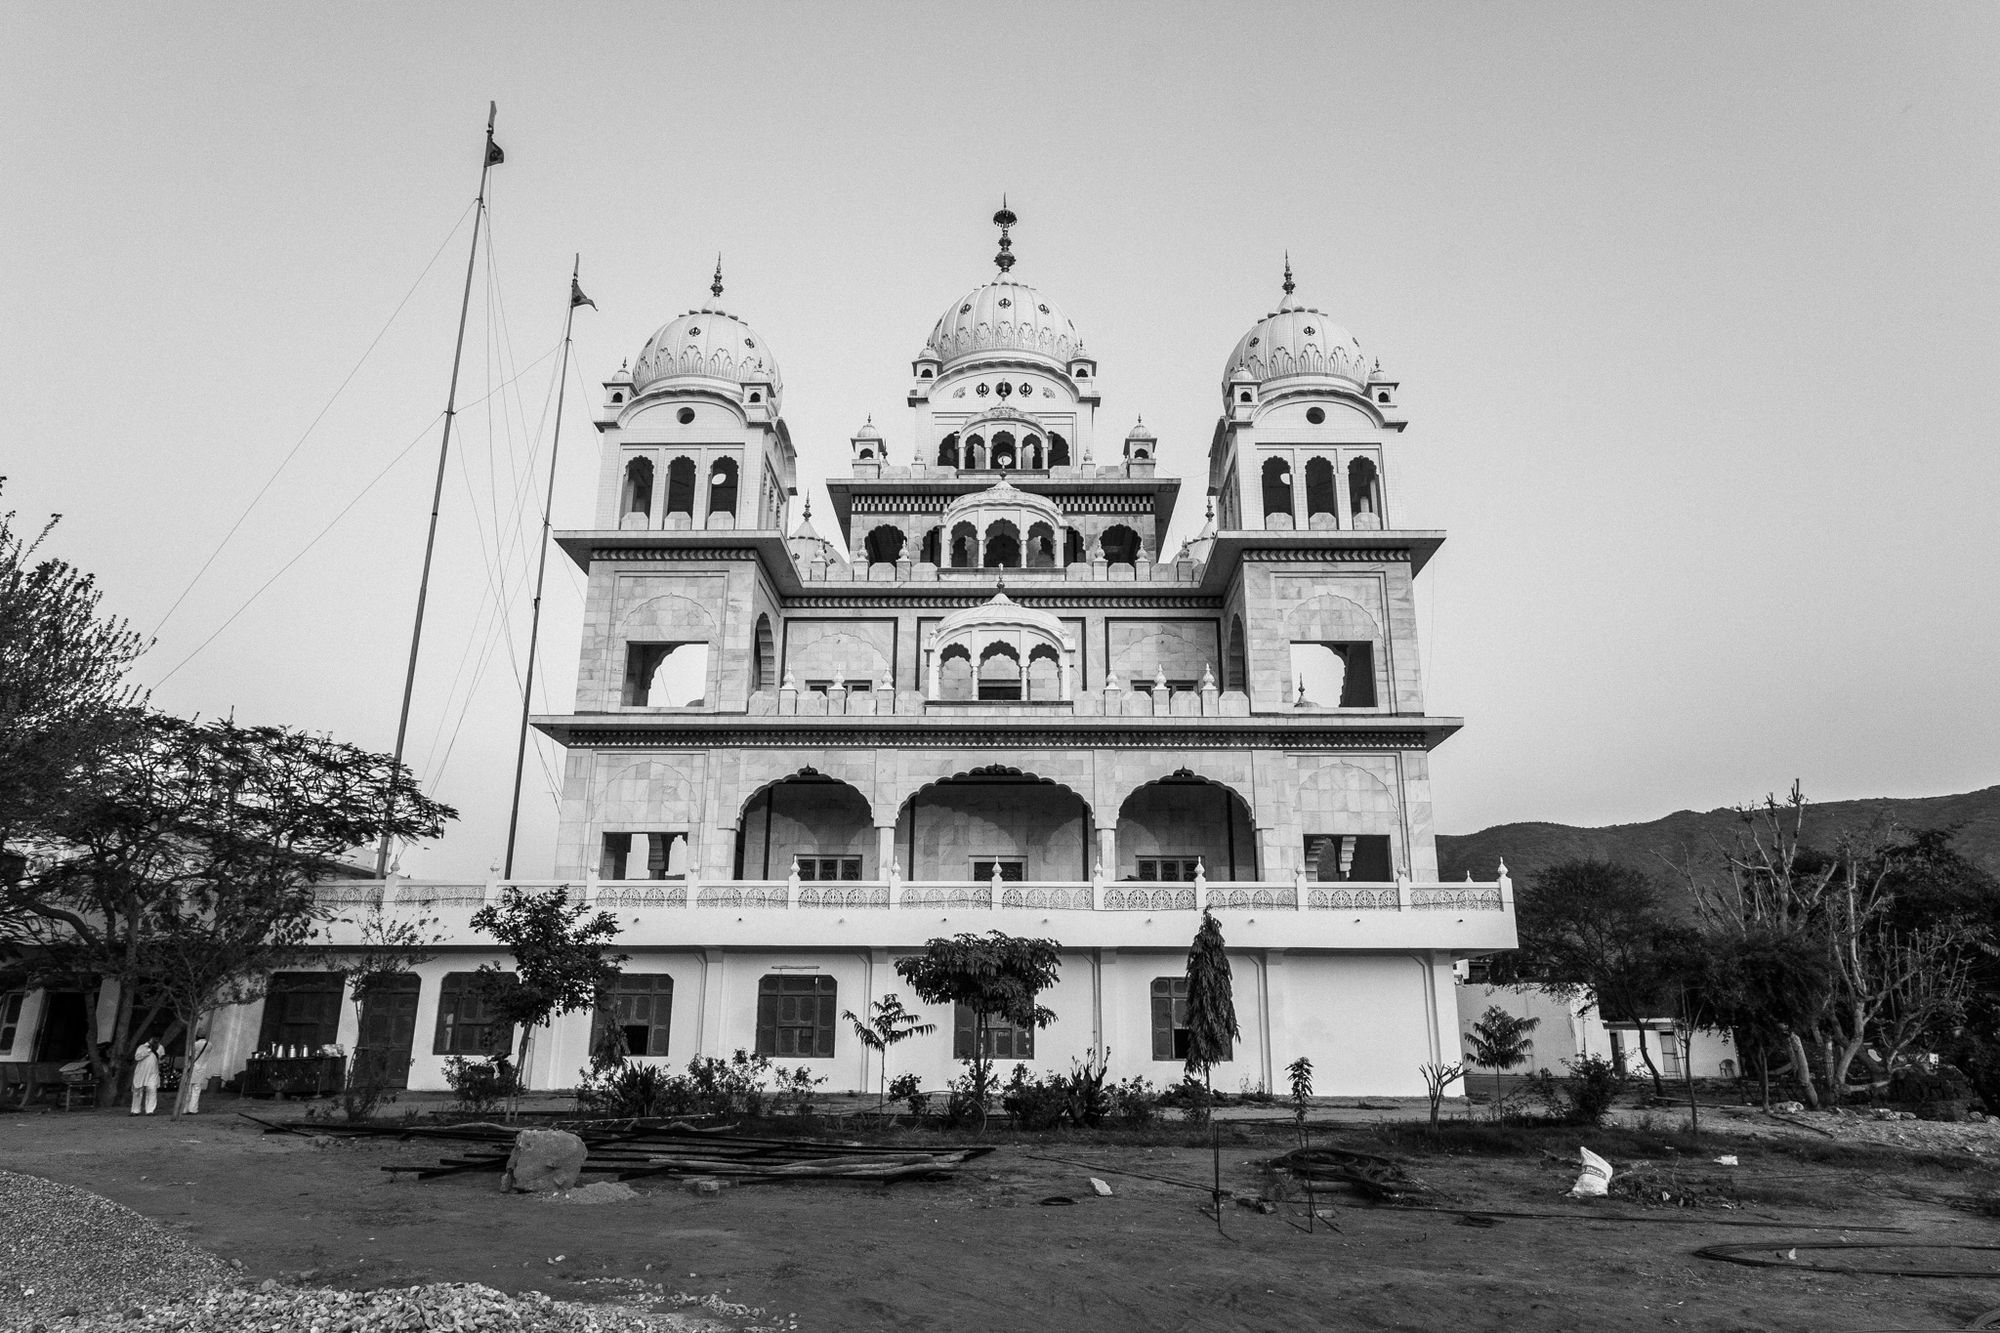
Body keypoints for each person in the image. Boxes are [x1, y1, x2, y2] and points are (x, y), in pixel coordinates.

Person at [130, 1038, 163, 1115]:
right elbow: (137, 1057)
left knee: (152, 1090)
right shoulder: (141, 1047)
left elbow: (161, 1059)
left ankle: (150, 1111)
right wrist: (148, 1050)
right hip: (141, 1072)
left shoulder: (160, 1047)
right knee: (137, 1091)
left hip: (153, 1073)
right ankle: (135, 1110)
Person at [182, 1032, 210, 1114]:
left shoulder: (195, 1044)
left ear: (197, 1036)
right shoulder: (209, 1045)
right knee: (197, 1090)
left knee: (187, 1090)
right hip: (202, 1069)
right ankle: (193, 1109)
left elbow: (190, 1056)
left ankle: (185, 1109)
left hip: (192, 1068)